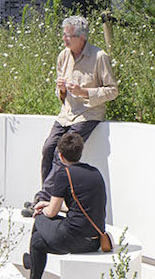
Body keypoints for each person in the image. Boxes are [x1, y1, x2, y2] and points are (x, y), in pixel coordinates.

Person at [23, 126, 113, 279]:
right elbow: (76, 207)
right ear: (80, 152)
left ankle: (33, 274)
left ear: (61, 156)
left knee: (38, 218)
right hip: (93, 242)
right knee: (38, 242)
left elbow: (51, 213)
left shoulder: (63, 174)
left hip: (70, 239)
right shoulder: (95, 173)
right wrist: (48, 203)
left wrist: (43, 207)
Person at [39, 12, 120, 192]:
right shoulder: (63, 56)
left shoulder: (99, 57)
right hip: (66, 114)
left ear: (81, 37)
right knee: (48, 148)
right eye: (63, 34)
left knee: (62, 154)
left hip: (87, 115)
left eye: (68, 35)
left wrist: (85, 92)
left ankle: (48, 198)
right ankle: (46, 194)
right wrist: (61, 90)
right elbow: (61, 94)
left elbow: (113, 91)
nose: (64, 38)